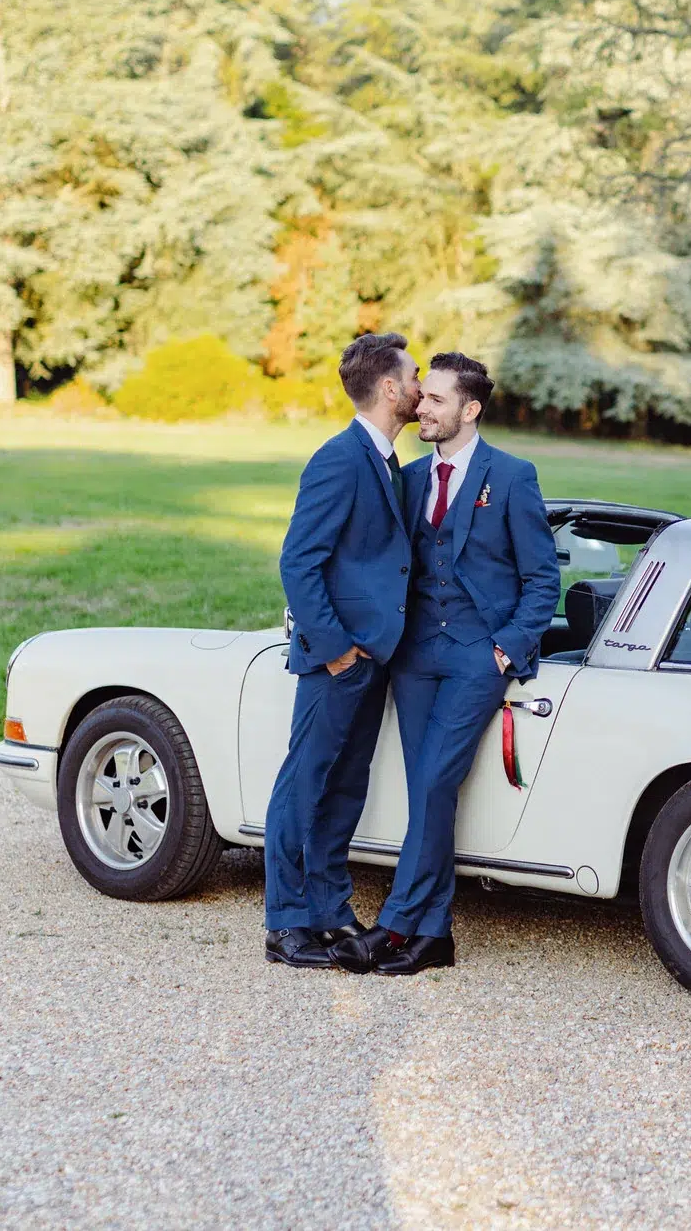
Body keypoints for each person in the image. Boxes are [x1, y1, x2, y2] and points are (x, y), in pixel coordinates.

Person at [334, 352, 560, 976]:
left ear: (470, 409)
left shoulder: (512, 477)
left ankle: (398, 924)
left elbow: (544, 579)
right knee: (426, 791)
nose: (419, 407)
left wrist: (504, 650)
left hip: (475, 656)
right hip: (414, 658)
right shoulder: (407, 480)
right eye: (421, 395)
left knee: (434, 781)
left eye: (434, 399)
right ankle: (435, 937)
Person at [263, 332, 421, 967]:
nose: (419, 387)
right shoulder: (338, 458)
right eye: (412, 376)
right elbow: (299, 561)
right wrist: (333, 650)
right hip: (339, 657)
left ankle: (328, 909)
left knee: (345, 789)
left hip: (372, 657)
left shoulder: (385, 461)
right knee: (305, 783)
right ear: (388, 388)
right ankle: (285, 923)